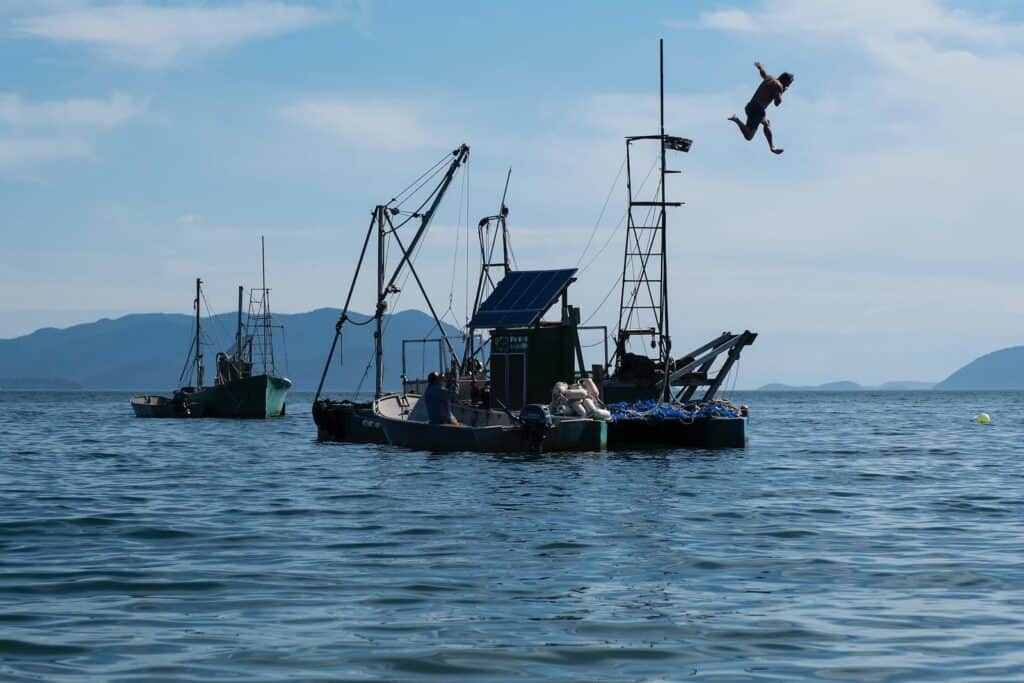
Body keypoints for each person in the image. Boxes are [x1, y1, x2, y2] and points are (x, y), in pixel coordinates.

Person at [729, 62, 794, 155]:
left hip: (750, 106)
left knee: (754, 132)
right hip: (758, 109)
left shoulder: (770, 78)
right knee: (754, 133)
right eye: (789, 83)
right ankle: (772, 147)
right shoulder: (779, 86)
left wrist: (760, 67)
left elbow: (763, 74)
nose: (788, 85)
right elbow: (777, 103)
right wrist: (782, 92)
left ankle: (737, 120)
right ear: (786, 81)